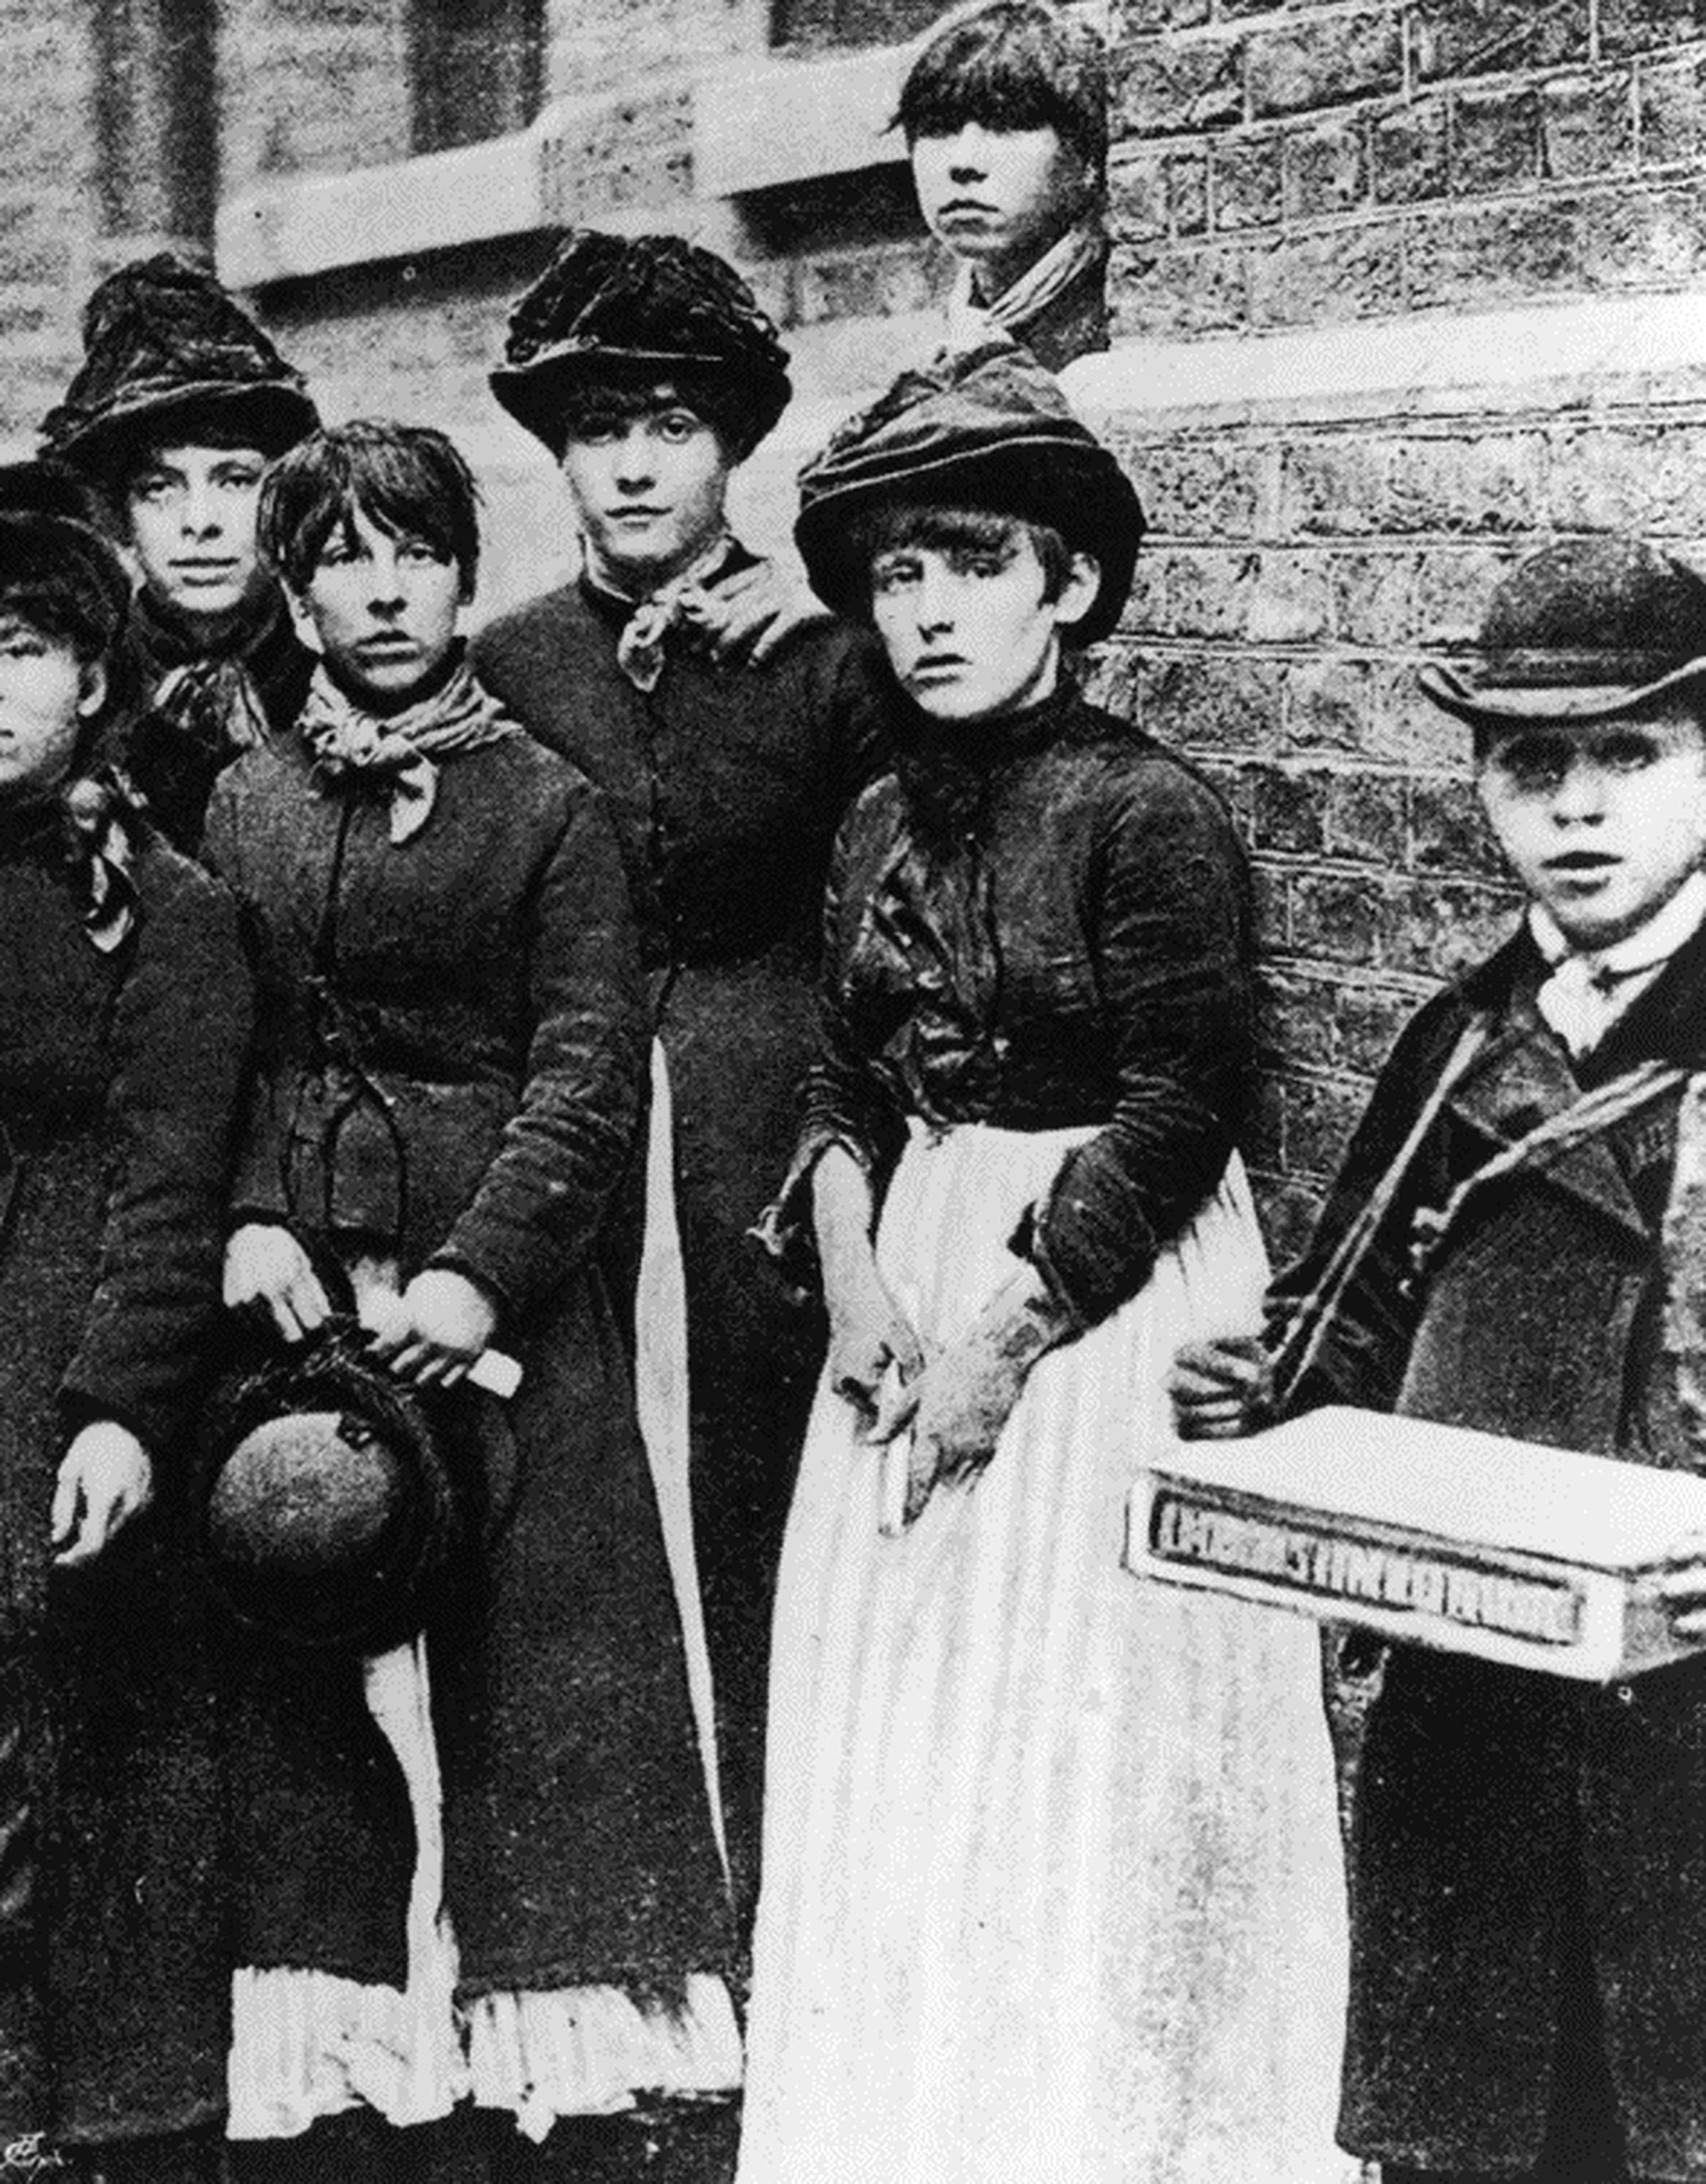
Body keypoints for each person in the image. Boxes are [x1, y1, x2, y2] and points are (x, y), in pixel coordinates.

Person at [735, 342, 1351, 2184]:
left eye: (971, 562)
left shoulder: (1139, 809)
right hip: (915, 1261)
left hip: (1103, 1288)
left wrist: (1002, 1336)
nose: (924, 612)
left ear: (1065, 583)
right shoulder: (868, 817)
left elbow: (1181, 1103)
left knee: (1074, 1726)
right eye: (894, 576)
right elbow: (844, 1071)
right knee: (903, 1726)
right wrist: (853, 1270)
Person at [201, 421, 738, 2184]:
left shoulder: (546, 804)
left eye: (413, 552)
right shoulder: (250, 797)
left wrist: (474, 1267)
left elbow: (586, 1081)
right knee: (324, 1655)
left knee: (525, 1671)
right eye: (340, 557)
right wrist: (261, 1215)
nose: (380, 589)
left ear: (457, 571)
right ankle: (362, 2044)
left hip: (492, 1314)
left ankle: (555, 2067)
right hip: (307, 1310)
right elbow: (245, 1039)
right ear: (297, 588)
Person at [1171, 536, 1706, 2184]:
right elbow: (1365, 1310)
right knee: (1479, 2120)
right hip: (1477, 1697)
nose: (1578, 807)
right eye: (1529, 764)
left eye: (1631, 754)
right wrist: (1275, 1404)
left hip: (1685, 1721)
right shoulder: (1464, 1033)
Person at [473, 229, 891, 1921]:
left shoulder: (830, 658)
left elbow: (892, 913)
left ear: (734, 445)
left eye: (672, 422)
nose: (636, 461)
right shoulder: (507, 665)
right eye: (598, 425)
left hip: (764, 1130)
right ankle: (627, 1925)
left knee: (772, 1499)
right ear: (559, 450)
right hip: (575, 1127)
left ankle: (795, 1899)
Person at [0, 462, 252, 2183]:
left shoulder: (169, 912)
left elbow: (172, 1188)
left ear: (90, 677)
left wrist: (112, 1404)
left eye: (15, 649)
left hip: (51, 1352)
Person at [40, 253, 320, 851]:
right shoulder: (62, 714)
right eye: (160, 489)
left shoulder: (345, 696)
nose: (201, 524)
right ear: (120, 515)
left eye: (237, 480)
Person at [899, 0, 1109, 373]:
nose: (963, 162)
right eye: (938, 128)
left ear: (1085, 160)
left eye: (1006, 125)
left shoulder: (1115, 315)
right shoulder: (964, 321)